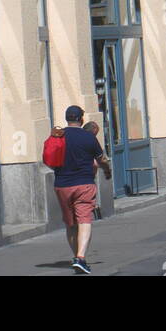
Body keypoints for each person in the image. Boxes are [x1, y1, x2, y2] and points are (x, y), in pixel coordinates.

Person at [51, 104, 111, 274]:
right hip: (84, 184)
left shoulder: (58, 136)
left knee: (70, 224)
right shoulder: (89, 137)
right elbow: (101, 159)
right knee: (84, 220)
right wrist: (107, 171)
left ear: (67, 119)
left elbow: (49, 159)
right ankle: (81, 257)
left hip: (62, 185)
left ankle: (77, 257)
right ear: (81, 119)